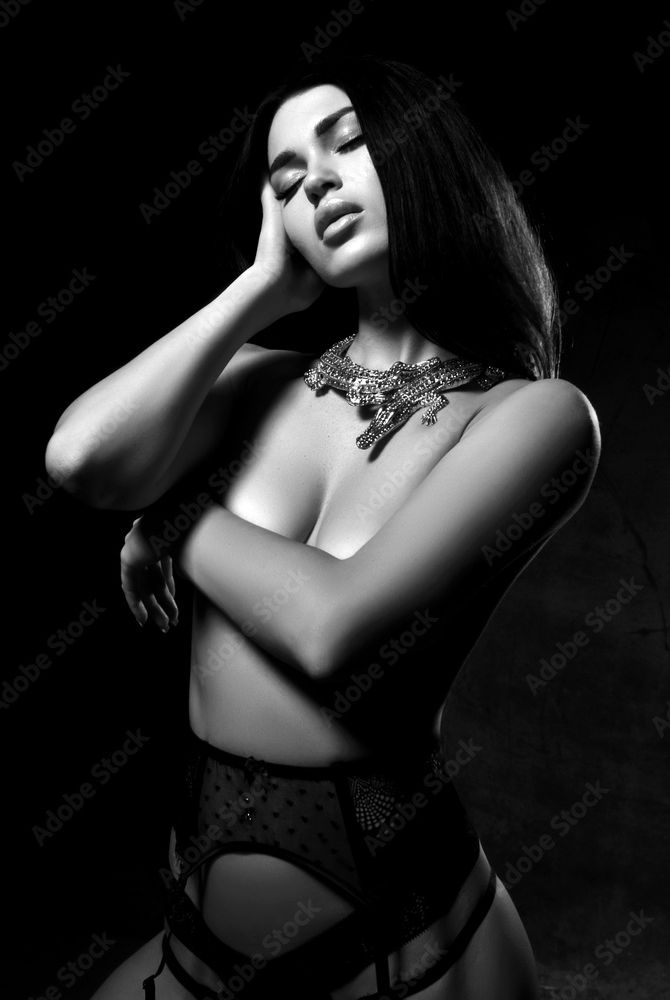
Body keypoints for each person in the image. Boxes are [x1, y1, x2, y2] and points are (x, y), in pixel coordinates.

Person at [46, 55, 600, 1000]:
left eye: (348, 144)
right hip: (197, 931)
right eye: (286, 180)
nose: (316, 185)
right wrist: (261, 291)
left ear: (422, 157)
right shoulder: (261, 379)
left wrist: (179, 518)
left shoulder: (534, 417)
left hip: (411, 947)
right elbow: (80, 461)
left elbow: (330, 630)